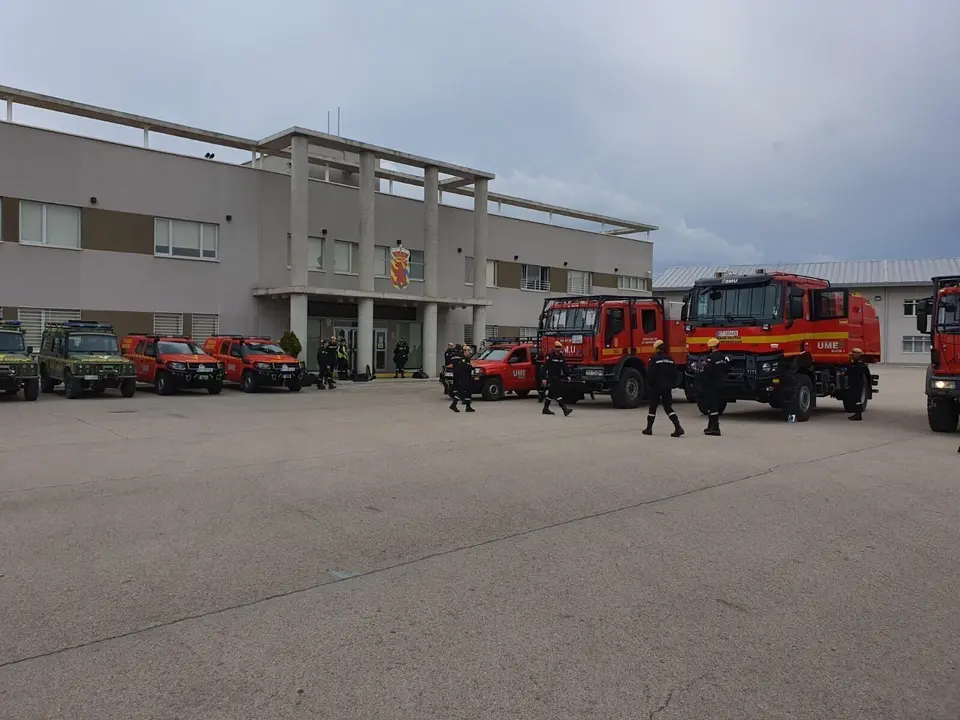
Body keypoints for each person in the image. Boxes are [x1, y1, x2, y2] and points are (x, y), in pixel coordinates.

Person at [642, 339, 684, 437]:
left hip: (656, 387)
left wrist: (649, 385)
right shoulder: (670, 359)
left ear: (656, 348)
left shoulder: (653, 359)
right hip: (667, 387)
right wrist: (671, 384)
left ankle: (649, 429)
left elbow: (650, 374)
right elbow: (675, 373)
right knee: (668, 407)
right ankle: (678, 427)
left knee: (652, 408)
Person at [697, 337, 730, 436]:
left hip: (711, 384)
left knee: (712, 406)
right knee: (714, 405)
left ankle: (715, 428)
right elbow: (727, 368)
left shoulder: (711, 357)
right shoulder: (723, 357)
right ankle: (710, 426)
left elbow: (707, 371)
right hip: (721, 383)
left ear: (710, 346)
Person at [542, 340, 573, 417]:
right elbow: (544, 367)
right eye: (557, 347)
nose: (558, 349)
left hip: (558, 377)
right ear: (554, 348)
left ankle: (545, 409)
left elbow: (564, 366)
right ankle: (565, 409)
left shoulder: (561, 356)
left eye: (559, 347)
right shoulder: (550, 355)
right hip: (551, 377)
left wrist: (568, 375)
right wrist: (543, 378)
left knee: (550, 394)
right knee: (558, 393)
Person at [449, 344, 475, 412]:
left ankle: (468, 406)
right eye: (468, 350)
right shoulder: (463, 359)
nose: (470, 352)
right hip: (464, 378)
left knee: (468, 392)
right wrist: (471, 367)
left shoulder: (467, 359)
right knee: (461, 391)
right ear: (464, 351)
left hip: (468, 378)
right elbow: (464, 367)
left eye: (470, 350)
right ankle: (453, 404)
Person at [847, 347, 868, 421]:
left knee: (857, 399)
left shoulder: (860, 364)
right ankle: (857, 414)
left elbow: (854, 372)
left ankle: (858, 415)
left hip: (857, 384)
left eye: (854, 353)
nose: (852, 355)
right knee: (855, 399)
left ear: (858, 355)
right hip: (855, 383)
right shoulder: (858, 363)